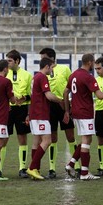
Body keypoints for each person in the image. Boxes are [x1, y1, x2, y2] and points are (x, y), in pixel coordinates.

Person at [63, 53, 103, 180]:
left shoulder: (74, 75)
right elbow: (100, 96)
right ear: (90, 62)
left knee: (86, 140)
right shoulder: (88, 77)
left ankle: (70, 164)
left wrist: (66, 110)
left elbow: (65, 92)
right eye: (93, 63)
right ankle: (85, 173)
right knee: (86, 141)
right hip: (85, 112)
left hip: (76, 112)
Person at [39, 48, 79, 179]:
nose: (41, 60)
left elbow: (72, 87)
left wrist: (71, 105)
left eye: (43, 57)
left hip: (64, 105)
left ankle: (76, 165)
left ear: (51, 58)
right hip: (49, 106)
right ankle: (52, 168)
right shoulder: (42, 72)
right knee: (52, 138)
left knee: (71, 136)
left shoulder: (64, 69)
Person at [26, 57, 64, 180]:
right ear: (47, 66)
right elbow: (49, 96)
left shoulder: (35, 77)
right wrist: (61, 100)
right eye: (52, 68)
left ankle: (35, 170)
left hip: (34, 114)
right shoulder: (42, 77)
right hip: (40, 114)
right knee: (47, 140)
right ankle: (32, 168)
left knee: (36, 142)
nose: (52, 70)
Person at [0, 49, 33, 178]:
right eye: (6, 60)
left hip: (22, 110)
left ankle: (22, 168)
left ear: (17, 61)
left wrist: (28, 113)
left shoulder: (27, 75)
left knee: (22, 139)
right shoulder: (4, 74)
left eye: (10, 61)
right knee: (3, 139)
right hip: (7, 109)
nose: (7, 63)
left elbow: (31, 96)